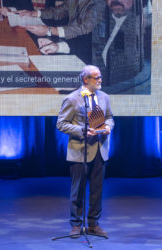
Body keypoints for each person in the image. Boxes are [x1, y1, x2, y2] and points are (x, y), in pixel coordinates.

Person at [56, 65, 114, 238]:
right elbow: (61, 124)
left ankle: (93, 224)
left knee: (97, 190)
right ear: (85, 79)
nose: (100, 80)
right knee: (78, 190)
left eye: (100, 77)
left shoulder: (104, 97)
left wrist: (109, 126)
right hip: (80, 151)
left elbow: (110, 117)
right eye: (96, 78)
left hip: (99, 150)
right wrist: (82, 130)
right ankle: (75, 224)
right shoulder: (72, 99)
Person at [16, 0, 101, 64]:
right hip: (72, 45)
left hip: (88, 56)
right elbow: (57, 11)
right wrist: (34, 13)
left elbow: (83, 28)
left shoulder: (99, 4)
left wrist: (49, 31)